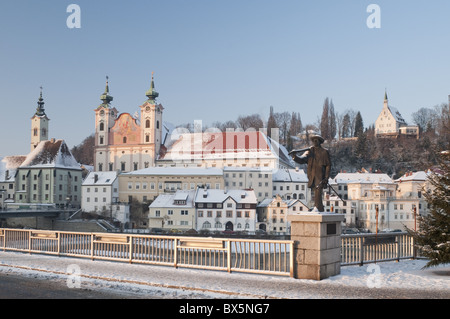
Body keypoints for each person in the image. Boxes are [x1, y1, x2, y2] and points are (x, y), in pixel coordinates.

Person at [290, 135, 331, 212]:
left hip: (320, 175)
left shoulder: (324, 152)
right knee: (315, 191)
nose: (315, 142)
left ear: (319, 142)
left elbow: (328, 165)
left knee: (318, 190)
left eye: (317, 140)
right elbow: (302, 160)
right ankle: (319, 207)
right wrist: (295, 156)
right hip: (312, 175)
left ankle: (317, 207)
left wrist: (326, 177)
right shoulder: (309, 151)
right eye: (314, 140)